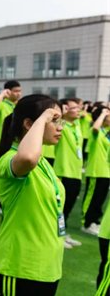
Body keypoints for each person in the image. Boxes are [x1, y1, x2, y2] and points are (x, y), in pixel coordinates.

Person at [0, 95, 64, 296]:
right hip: (20, 265)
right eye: (54, 120)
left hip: (46, 266)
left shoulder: (43, 162)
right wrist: (43, 119)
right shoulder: (12, 160)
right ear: (29, 123)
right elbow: (27, 157)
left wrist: (44, 119)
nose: (60, 127)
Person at [54, 98, 84, 248]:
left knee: (69, 206)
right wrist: (61, 114)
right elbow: (56, 125)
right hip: (63, 171)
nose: (78, 110)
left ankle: (62, 232)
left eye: (79, 107)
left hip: (76, 172)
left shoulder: (77, 125)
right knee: (60, 207)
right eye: (74, 108)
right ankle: (56, 235)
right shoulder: (62, 125)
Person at [81, 106, 110, 236]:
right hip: (95, 170)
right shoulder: (96, 131)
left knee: (99, 199)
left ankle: (95, 221)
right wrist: (103, 113)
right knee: (91, 198)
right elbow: (95, 127)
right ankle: (87, 223)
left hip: (106, 172)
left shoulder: (106, 132)